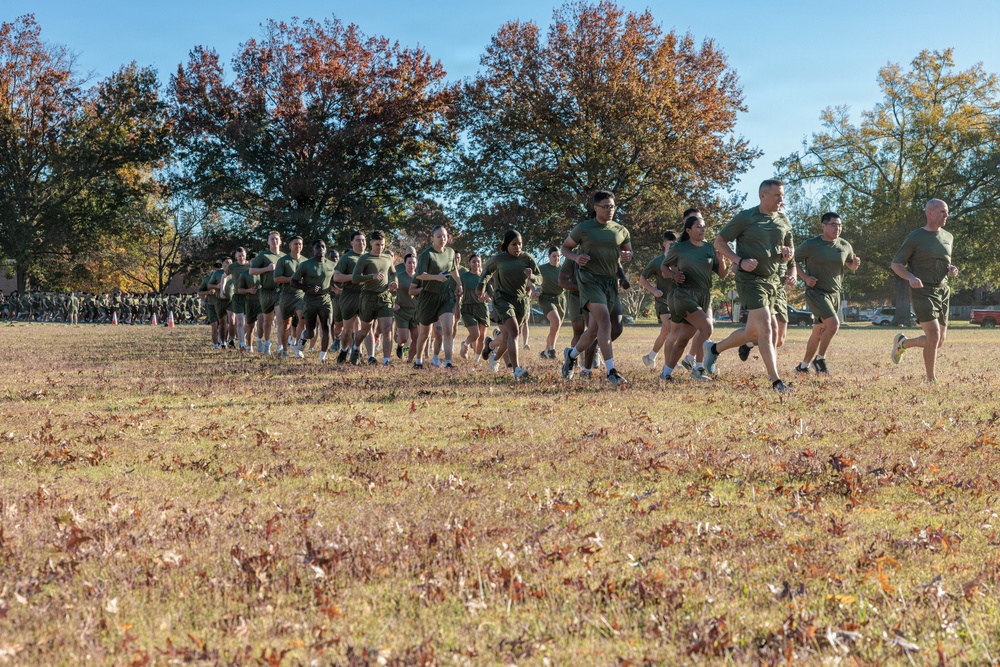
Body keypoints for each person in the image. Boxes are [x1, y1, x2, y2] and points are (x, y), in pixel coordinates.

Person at [703, 179, 795, 393]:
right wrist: (739, 260)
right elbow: (719, 242)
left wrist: (789, 260)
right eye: (776, 195)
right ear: (762, 195)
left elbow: (790, 249)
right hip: (751, 280)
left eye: (782, 195)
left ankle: (714, 348)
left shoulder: (783, 219)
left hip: (774, 282)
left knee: (760, 335)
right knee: (766, 328)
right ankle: (776, 382)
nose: (781, 199)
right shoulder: (746, 217)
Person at [560, 190, 633, 387]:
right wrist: (576, 258)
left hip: (610, 282)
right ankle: (611, 372)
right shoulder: (583, 229)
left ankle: (572, 354)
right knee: (604, 322)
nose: (610, 210)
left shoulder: (621, 230)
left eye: (612, 206)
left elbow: (627, 251)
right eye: (606, 207)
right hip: (589, 280)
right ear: (595, 208)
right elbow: (565, 248)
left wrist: (628, 257)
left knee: (592, 331)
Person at [889, 199, 958, 382]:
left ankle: (903, 343)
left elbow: (942, 260)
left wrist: (950, 268)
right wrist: (910, 277)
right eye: (942, 212)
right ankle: (930, 380)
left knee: (939, 341)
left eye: (947, 212)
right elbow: (896, 264)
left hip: (943, 291)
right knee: (933, 335)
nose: (946, 215)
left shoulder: (948, 237)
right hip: (922, 290)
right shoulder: (915, 237)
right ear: (930, 213)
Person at [659, 215, 728, 381]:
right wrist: (674, 275)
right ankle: (698, 369)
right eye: (698, 226)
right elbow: (663, 267)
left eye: (704, 226)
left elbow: (722, 274)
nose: (702, 229)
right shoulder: (679, 248)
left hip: (703, 295)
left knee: (683, 340)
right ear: (688, 230)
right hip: (682, 294)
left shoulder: (710, 248)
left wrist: (721, 260)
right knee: (707, 327)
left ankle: (665, 374)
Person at [793, 212, 861, 375]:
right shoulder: (811, 244)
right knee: (833, 325)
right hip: (816, 292)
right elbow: (793, 260)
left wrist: (855, 264)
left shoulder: (845, 245)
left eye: (839, 225)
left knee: (818, 332)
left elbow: (850, 264)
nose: (837, 228)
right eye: (833, 225)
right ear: (823, 226)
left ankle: (803, 367)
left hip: (834, 294)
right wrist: (805, 278)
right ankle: (820, 359)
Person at [478, 230, 540, 379]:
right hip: (502, 299)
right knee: (513, 332)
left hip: (520, 300)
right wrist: (481, 286)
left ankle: (492, 351)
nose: (517, 247)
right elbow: (486, 272)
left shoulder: (527, 258)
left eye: (520, 244)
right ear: (506, 245)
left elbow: (540, 278)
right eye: (514, 244)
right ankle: (516, 369)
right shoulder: (498, 259)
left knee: (506, 338)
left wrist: (532, 276)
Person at [411, 225, 462, 369]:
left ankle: (448, 362)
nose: (442, 239)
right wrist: (436, 277)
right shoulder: (427, 255)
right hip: (428, 298)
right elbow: (420, 274)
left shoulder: (451, 252)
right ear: (432, 238)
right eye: (438, 236)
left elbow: (453, 270)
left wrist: (459, 283)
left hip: (445, 296)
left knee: (447, 328)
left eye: (444, 236)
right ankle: (419, 360)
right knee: (424, 334)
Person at [351, 230, 398, 365]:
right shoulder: (364, 258)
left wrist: (395, 282)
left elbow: (393, 273)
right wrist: (371, 276)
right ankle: (355, 346)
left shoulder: (388, 258)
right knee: (365, 330)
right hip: (368, 298)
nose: (380, 247)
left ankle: (386, 360)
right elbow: (355, 278)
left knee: (387, 329)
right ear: (371, 243)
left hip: (384, 297)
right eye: (377, 244)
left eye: (382, 245)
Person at [291, 240, 336, 361]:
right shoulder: (306, 265)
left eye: (323, 246)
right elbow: (293, 282)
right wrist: (307, 288)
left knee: (326, 326)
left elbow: (334, 281)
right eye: (317, 247)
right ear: (313, 250)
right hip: (310, 300)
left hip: (325, 300)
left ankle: (322, 357)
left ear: (326, 250)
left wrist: (337, 288)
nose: (320, 249)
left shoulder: (331, 265)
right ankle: (303, 337)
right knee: (311, 333)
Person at [639, 230, 677, 368]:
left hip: (677, 302)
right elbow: (643, 278)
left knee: (665, 333)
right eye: (671, 244)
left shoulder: (680, 260)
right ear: (664, 244)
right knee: (674, 330)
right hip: (663, 301)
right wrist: (654, 291)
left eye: (675, 244)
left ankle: (650, 357)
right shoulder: (657, 261)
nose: (673, 246)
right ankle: (672, 362)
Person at [334, 231, 368, 363]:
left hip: (366, 295)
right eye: (358, 240)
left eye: (363, 240)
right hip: (350, 295)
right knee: (347, 330)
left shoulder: (370, 257)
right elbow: (336, 277)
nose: (361, 243)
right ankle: (343, 350)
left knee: (365, 328)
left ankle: (362, 353)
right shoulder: (346, 258)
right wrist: (353, 278)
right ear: (352, 243)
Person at [249, 230, 282, 354]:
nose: (274, 241)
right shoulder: (263, 255)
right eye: (272, 239)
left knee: (280, 319)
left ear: (280, 241)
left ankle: (280, 346)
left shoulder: (284, 256)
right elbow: (251, 271)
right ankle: (267, 342)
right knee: (267, 321)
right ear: (268, 242)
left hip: (280, 291)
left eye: (276, 239)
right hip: (266, 291)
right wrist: (266, 269)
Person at [274, 236, 305, 357]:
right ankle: (285, 350)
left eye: (300, 244)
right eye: (295, 244)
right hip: (286, 294)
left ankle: (297, 347)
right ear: (290, 246)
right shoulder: (283, 261)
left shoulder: (306, 261)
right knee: (285, 323)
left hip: (301, 294)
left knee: (303, 319)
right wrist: (293, 279)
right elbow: (276, 278)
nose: (298, 246)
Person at [459, 253, 491, 360]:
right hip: (467, 308)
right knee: (475, 334)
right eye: (474, 261)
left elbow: (490, 292)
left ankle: (476, 360)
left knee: (481, 337)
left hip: (482, 308)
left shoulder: (484, 277)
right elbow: (458, 293)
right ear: (469, 263)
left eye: (478, 261)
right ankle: (465, 344)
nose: (476, 264)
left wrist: (485, 297)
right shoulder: (464, 277)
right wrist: (455, 309)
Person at [536, 246, 565, 360]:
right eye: (554, 256)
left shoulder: (563, 268)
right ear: (549, 256)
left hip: (560, 299)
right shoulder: (542, 268)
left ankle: (545, 352)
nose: (556, 258)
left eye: (558, 256)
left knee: (556, 327)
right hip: (546, 298)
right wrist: (533, 290)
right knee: (556, 321)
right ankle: (552, 349)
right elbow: (533, 279)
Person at [394, 253, 420, 363]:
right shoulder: (399, 276)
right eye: (409, 263)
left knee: (416, 338)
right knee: (404, 338)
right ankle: (400, 345)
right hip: (401, 310)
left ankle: (409, 359)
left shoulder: (419, 278)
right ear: (404, 264)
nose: (411, 265)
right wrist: (393, 304)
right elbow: (389, 291)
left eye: (414, 263)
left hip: (415, 311)